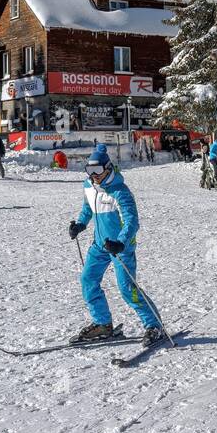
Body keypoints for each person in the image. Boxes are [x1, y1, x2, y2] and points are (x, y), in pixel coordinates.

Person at [67, 147, 165, 345]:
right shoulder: (89, 186)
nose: (94, 176)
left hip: (121, 247)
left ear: (109, 168)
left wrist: (120, 242)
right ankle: (103, 324)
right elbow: (88, 209)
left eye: (98, 171)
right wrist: (80, 224)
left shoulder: (120, 191)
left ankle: (154, 325)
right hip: (100, 245)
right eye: (89, 171)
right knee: (88, 280)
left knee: (127, 288)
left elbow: (132, 221)